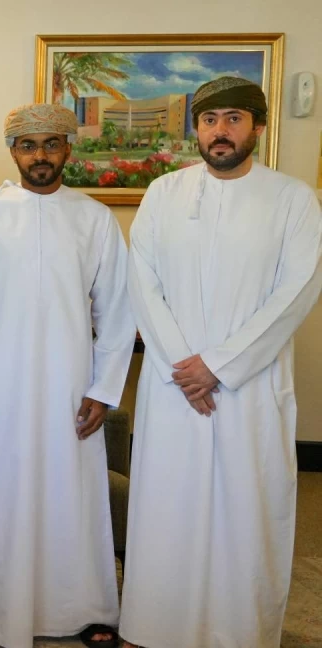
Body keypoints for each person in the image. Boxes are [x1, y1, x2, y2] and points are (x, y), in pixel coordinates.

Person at [119, 76, 322, 648]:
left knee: (246, 510)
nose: (220, 131)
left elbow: (297, 291)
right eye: (209, 120)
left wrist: (220, 366)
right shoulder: (164, 192)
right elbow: (143, 283)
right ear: (197, 129)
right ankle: (154, 627)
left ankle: (239, 632)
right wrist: (185, 365)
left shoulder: (293, 199)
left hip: (248, 385)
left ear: (258, 126)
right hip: (175, 383)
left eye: (234, 118)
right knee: (168, 507)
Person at [0, 103, 135, 648]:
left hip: (71, 386)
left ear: (68, 149)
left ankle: (87, 608)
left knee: (74, 495)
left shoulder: (94, 219)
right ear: (14, 153)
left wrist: (103, 389)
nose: (40, 155)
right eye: (28, 146)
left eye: (52, 144)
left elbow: (118, 311)